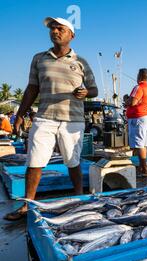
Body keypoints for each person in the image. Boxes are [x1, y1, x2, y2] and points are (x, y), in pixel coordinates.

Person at [5, 17, 98, 221]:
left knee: (72, 161)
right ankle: (27, 204)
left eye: (60, 28)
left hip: (72, 119)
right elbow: (32, 88)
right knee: (35, 161)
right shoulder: (39, 58)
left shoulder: (81, 61)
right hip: (44, 118)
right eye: (52, 29)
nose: (55, 31)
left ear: (71, 35)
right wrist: (20, 114)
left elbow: (94, 89)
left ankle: (78, 198)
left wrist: (85, 92)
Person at [125, 69, 147, 177]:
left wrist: (126, 101)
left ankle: (144, 169)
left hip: (138, 118)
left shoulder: (138, 87)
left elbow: (133, 102)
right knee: (143, 145)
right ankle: (142, 168)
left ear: (140, 76)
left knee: (139, 145)